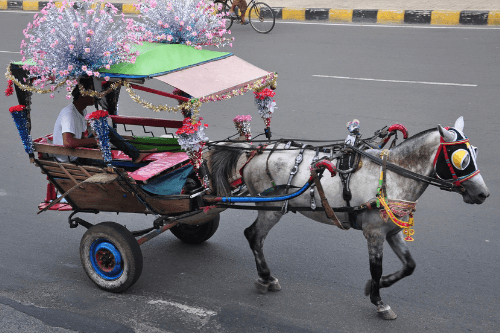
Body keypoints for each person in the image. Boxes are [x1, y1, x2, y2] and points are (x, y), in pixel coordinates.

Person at [52, 78, 150, 164]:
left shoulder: (81, 111)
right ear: (82, 95)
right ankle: (135, 155)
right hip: (71, 158)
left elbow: (81, 138)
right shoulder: (69, 114)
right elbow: (68, 142)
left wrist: (96, 140)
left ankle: (135, 154)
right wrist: (96, 141)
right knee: (114, 162)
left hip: (76, 152)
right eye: (92, 93)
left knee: (105, 129)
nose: (96, 96)